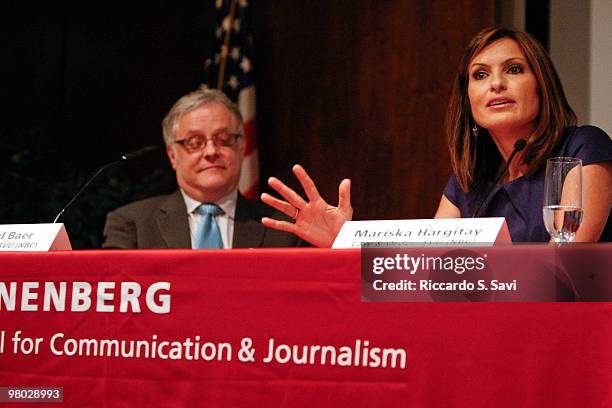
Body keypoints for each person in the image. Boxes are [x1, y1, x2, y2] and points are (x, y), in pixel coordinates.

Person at [260, 27, 612, 245]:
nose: (496, 84)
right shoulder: (469, 182)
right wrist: (347, 242)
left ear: (542, 84)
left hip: (570, 334)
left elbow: (564, 267)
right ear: (468, 98)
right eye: (480, 75)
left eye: (514, 69)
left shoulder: (583, 148)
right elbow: (429, 272)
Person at [103, 88, 302, 249]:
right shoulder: (132, 224)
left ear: (241, 148)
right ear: (173, 155)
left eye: (223, 139)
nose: (211, 151)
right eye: (195, 142)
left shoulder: (283, 228)